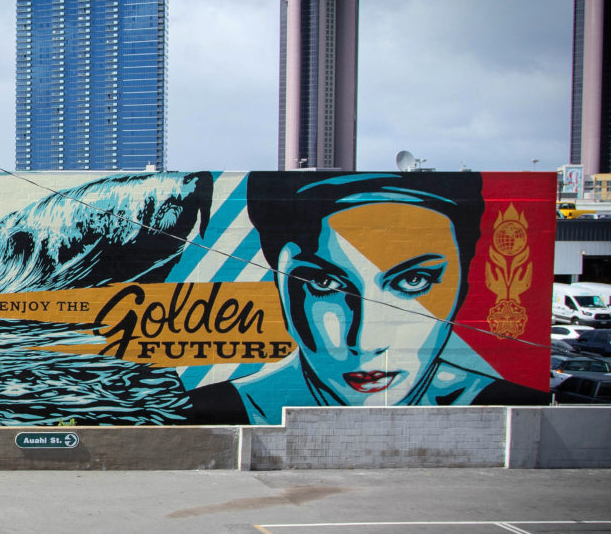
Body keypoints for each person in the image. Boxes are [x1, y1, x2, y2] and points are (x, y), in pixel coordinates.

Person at [185, 172, 545, 424]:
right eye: (325, 283)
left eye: (414, 281)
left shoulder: (516, 406)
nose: (365, 341)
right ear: (279, 285)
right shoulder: (205, 406)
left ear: (464, 282)